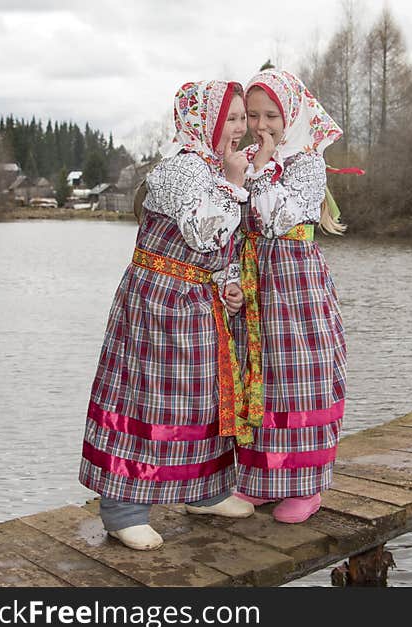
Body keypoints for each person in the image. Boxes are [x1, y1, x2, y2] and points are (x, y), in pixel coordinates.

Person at [79, 80, 255, 550]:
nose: (241, 128)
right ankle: (122, 509)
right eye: (232, 118)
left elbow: (221, 247)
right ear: (206, 122)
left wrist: (229, 282)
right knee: (147, 398)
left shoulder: (216, 171)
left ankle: (205, 490)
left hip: (196, 300)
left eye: (241, 118)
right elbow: (201, 230)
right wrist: (235, 185)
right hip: (157, 302)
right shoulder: (182, 169)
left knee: (202, 398)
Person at [230, 68, 348, 523]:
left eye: (271, 115)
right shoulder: (240, 160)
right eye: (253, 115)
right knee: (254, 373)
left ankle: (305, 484)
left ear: (290, 114)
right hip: (253, 276)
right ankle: (258, 479)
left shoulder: (306, 163)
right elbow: (234, 222)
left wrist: (258, 169)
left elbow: (278, 217)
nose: (261, 126)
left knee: (299, 374)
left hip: (294, 282)